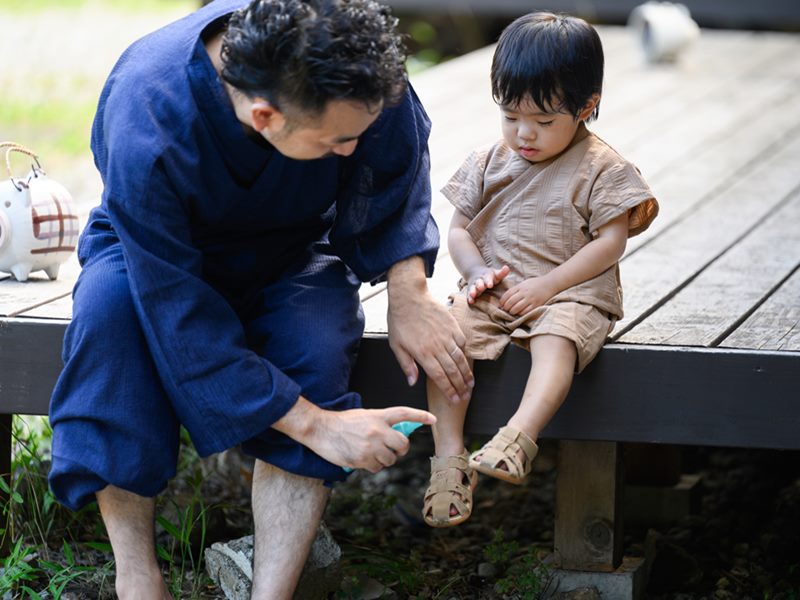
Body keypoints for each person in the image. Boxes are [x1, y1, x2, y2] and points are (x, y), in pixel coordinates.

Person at [47, 0, 475, 597]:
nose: (352, 149)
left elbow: (393, 163)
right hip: (153, 249)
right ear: (265, 116)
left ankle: (271, 592)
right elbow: (179, 317)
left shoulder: (355, 62)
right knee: (109, 324)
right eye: (336, 140)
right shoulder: (147, 112)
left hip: (295, 241)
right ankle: (137, 576)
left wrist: (408, 292)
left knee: (318, 342)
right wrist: (319, 426)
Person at [421, 12, 659, 528]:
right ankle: (448, 459)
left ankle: (518, 438)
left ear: (586, 107)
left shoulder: (603, 167)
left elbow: (611, 243)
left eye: (544, 122)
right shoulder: (490, 160)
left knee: (558, 338)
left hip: (570, 292)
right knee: (445, 342)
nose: (524, 134)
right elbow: (458, 230)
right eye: (510, 116)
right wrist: (476, 269)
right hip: (496, 291)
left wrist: (550, 285)